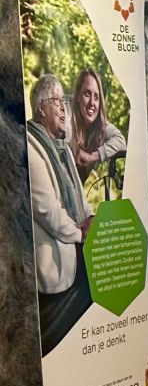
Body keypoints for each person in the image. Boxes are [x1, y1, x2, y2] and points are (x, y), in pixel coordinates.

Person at [26, 74, 94, 356]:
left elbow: (80, 197)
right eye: (58, 101)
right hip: (57, 269)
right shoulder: (29, 148)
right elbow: (47, 211)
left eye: (65, 101)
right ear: (42, 109)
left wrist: (91, 218)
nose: (65, 108)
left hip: (80, 254)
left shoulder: (63, 149)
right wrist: (81, 233)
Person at [70, 67, 126, 188]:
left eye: (96, 97)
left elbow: (120, 141)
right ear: (78, 96)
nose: (92, 103)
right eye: (87, 94)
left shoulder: (100, 127)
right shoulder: (67, 120)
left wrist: (93, 156)